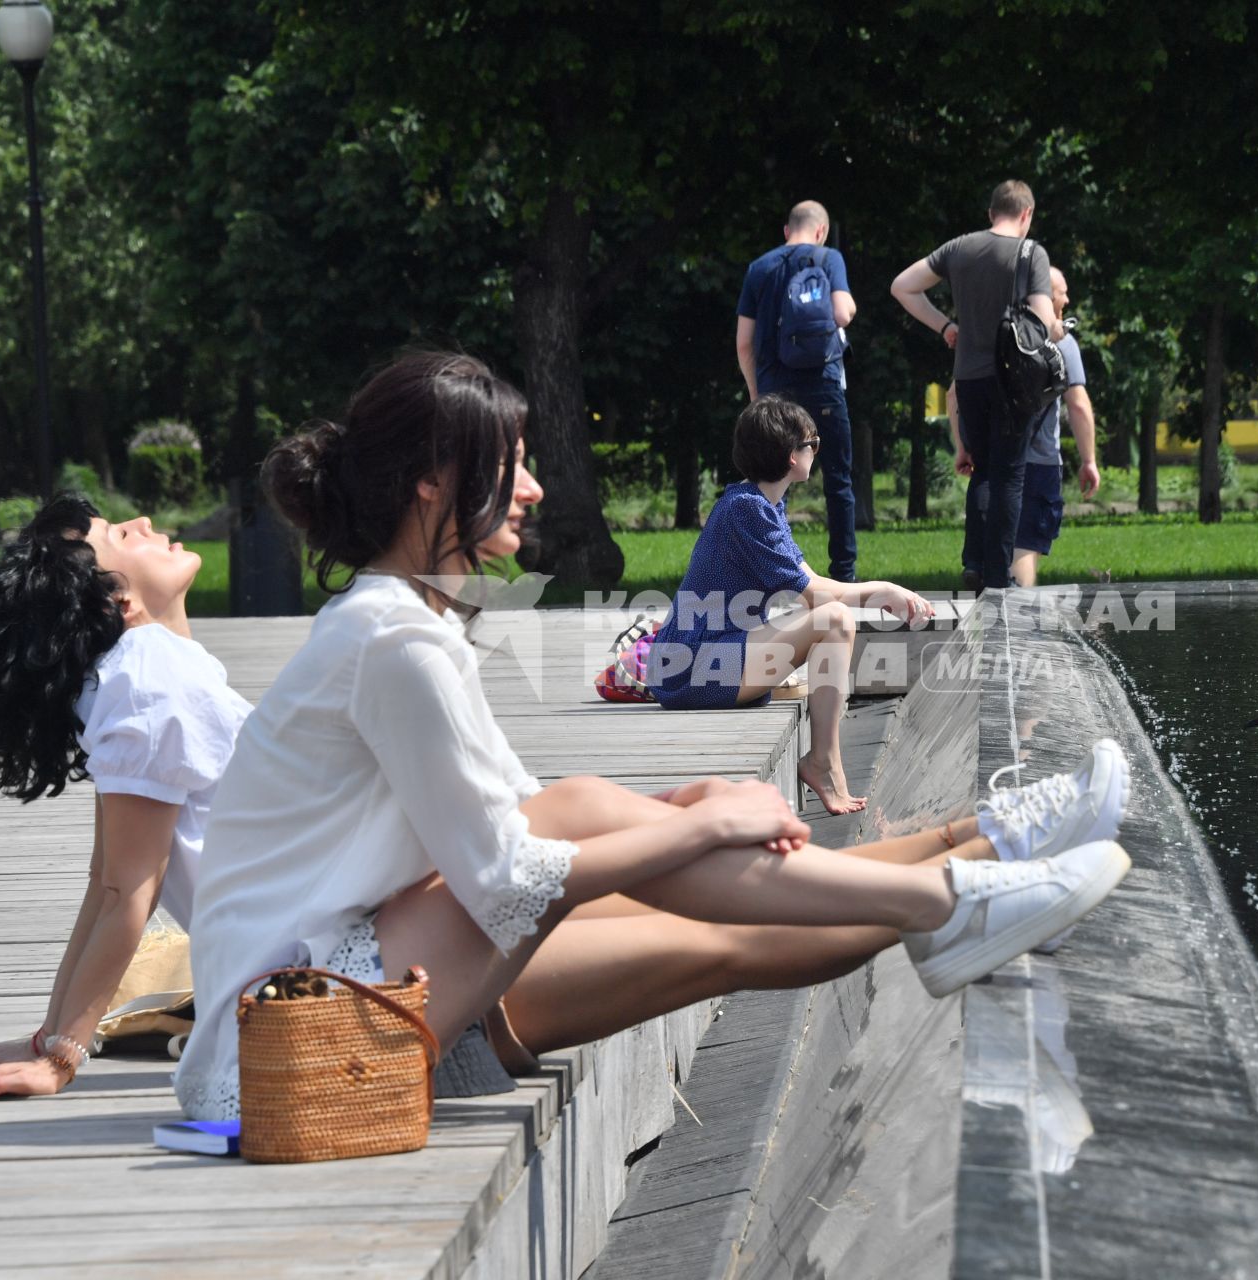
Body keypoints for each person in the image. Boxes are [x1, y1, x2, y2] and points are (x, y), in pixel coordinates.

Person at [172, 351, 1132, 1122]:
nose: (536, 489)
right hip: (300, 1044)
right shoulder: (395, 643)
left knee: (600, 808)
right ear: (433, 484)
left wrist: (676, 811)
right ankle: (951, 898)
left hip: (374, 970)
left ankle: (978, 856)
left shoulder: (400, 620)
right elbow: (510, 875)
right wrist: (698, 831)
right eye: (513, 464)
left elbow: (521, 818)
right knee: (708, 917)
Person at [0, 496, 252, 1102]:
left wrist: (51, 1039)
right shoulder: (149, 683)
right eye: (124, 535)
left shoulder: (145, 674)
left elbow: (109, 884)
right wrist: (60, 1056)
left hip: (288, 944)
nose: (148, 524)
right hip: (315, 958)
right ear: (118, 602)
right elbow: (126, 890)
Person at [648, 396, 933, 815]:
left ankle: (823, 759)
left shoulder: (759, 503)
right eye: (812, 443)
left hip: (707, 657)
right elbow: (819, 598)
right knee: (834, 620)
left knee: (827, 628)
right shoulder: (747, 511)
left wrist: (879, 592)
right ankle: (822, 762)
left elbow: (810, 582)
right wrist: (884, 590)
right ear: (790, 455)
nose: (816, 451)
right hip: (694, 668)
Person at [891, 180, 1059, 590]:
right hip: (1013, 381)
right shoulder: (1030, 252)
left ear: (990, 213)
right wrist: (1059, 327)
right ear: (1026, 214)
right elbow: (1043, 323)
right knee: (1010, 475)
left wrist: (947, 327)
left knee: (983, 470)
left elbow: (903, 287)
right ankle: (999, 576)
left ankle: (975, 565)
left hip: (969, 377)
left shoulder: (958, 248)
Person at [949, 267, 1099, 588]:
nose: (1067, 299)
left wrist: (963, 446)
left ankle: (978, 572)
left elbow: (954, 394)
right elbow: (1079, 405)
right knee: (1024, 548)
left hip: (993, 462)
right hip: (1038, 464)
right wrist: (1088, 461)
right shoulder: (1061, 342)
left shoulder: (994, 337)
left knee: (996, 547)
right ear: (1044, 296)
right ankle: (1016, 626)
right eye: (1061, 291)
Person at [735, 200, 859, 581]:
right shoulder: (829, 258)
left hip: (776, 390)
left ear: (787, 231)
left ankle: (771, 573)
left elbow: (744, 342)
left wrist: (758, 394)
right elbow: (843, 312)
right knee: (838, 479)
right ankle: (844, 574)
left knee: (772, 482)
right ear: (820, 231)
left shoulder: (760, 268)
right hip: (822, 385)